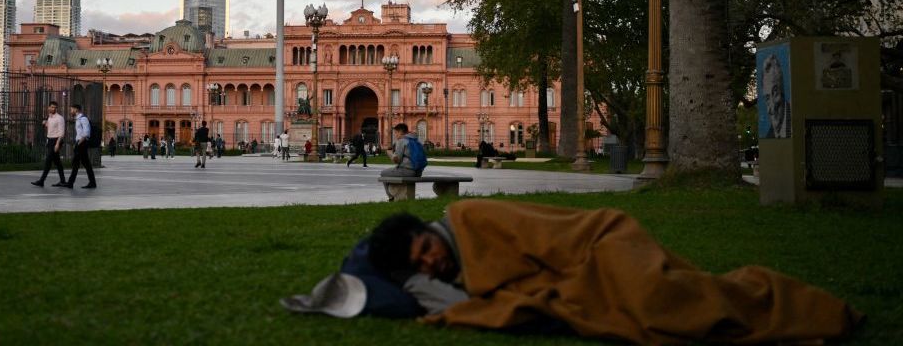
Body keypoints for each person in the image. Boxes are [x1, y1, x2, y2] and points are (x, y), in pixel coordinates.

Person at [360, 199, 862, 344]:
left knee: (655, 297)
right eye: (418, 265)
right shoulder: (448, 269)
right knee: (639, 313)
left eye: (424, 248)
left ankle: (781, 303)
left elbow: (553, 238)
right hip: (579, 274)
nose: (430, 261)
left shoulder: (471, 218)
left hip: (604, 241)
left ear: (429, 231)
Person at [379, 124, 423, 199]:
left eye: (396, 133)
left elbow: (397, 160)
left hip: (407, 171)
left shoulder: (402, 141)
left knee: (383, 173)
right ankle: (395, 193)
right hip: (418, 172)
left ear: (400, 132)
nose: (395, 135)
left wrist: (389, 153)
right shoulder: (416, 140)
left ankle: (390, 197)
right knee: (391, 173)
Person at [59, 103, 96, 189]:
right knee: (84, 164)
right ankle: (91, 182)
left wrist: (78, 144)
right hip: (79, 143)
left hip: (82, 143)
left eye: (71, 109)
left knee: (77, 163)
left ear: (76, 110)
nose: (70, 111)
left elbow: (86, 133)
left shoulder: (83, 119)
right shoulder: (78, 119)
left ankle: (71, 183)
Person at [32, 101, 67, 187]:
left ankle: (41, 181)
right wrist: (45, 124)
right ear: (48, 108)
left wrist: (57, 144)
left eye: (55, 107)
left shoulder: (60, 118)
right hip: (50, 140)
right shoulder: (49, 117)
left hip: (56, 141)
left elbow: (61, 133)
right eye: (51, 107)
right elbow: (51, 128)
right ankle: (63, 181)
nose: (53, 109)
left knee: (48, 161)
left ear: (57, 108)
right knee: (57, 162)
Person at [762, 54, 791, 138]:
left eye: (775, 93)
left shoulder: (797, 124)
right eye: (766, 99)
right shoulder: (769, 136)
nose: (769, 110)